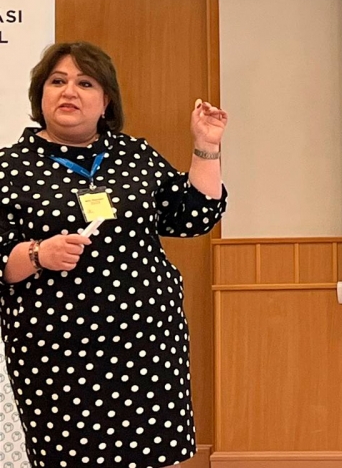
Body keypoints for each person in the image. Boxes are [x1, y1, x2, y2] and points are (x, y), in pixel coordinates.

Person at [0, 41, 228, 467]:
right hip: (58, 351)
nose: (70, 91)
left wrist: (206, 146)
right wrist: (37, 254)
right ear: (40, 95)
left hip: (146, 341)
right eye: (57, 81)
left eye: (85, 83)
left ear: (106, 101)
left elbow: (194, 215)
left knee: (152, 452)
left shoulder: (134, 155)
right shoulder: (9, 169)